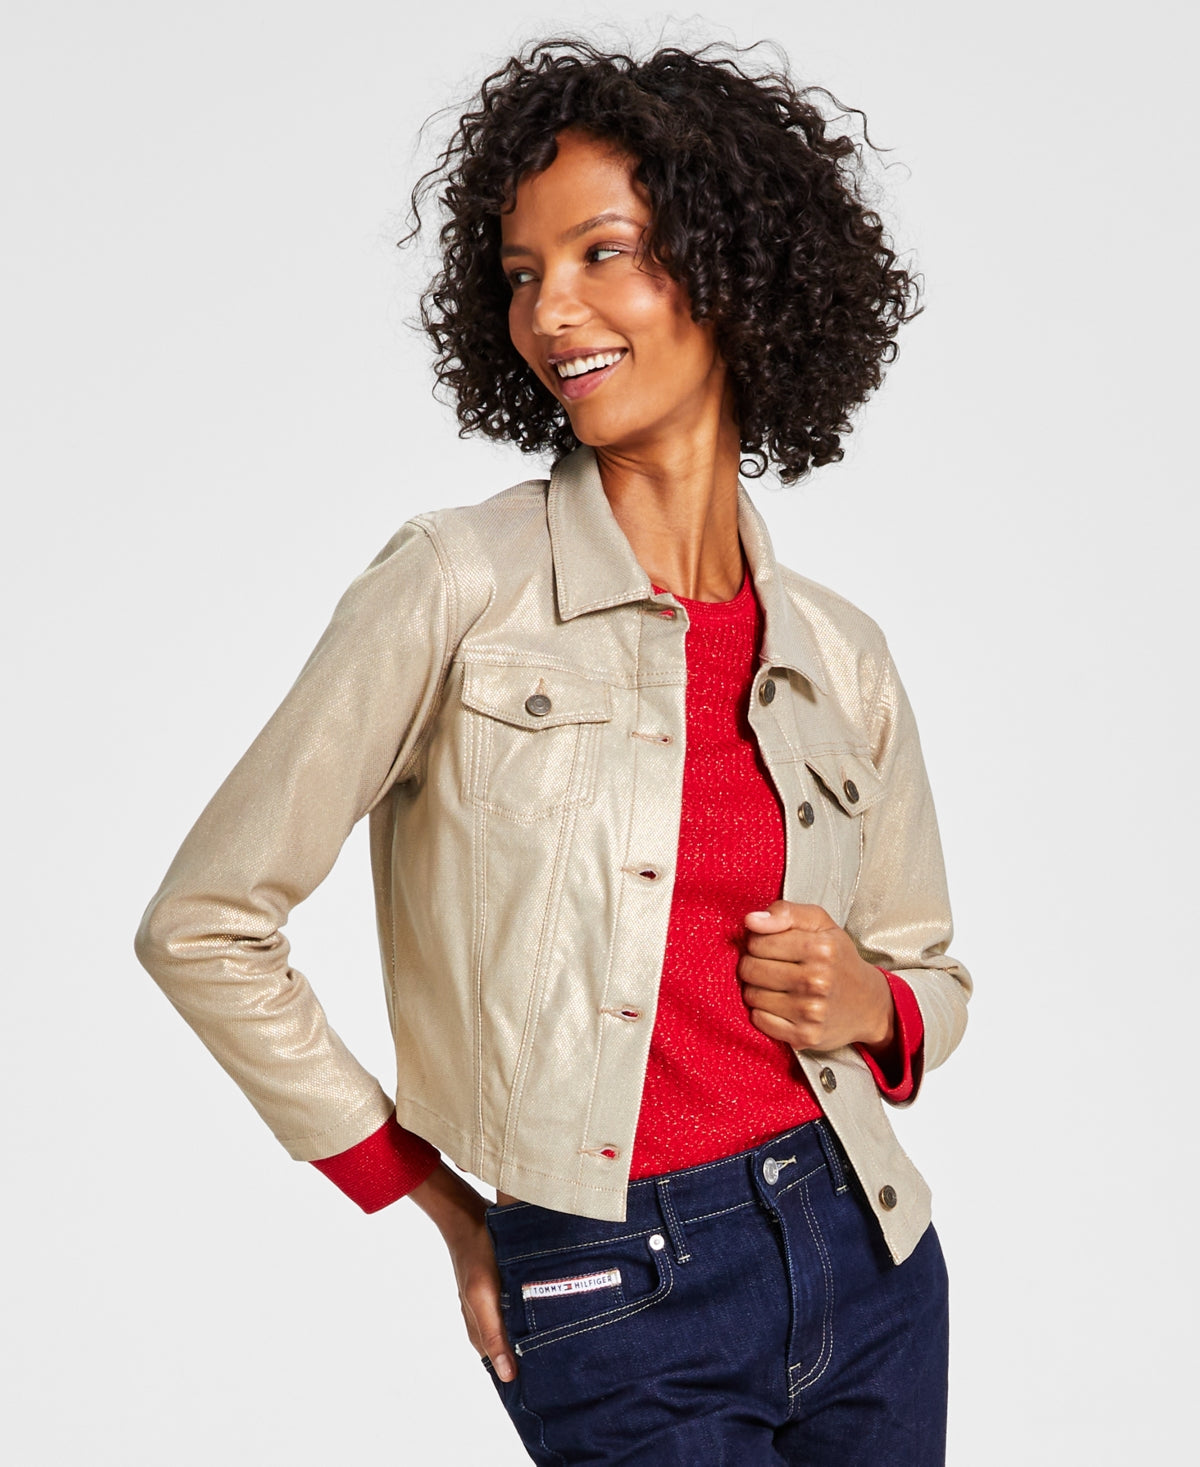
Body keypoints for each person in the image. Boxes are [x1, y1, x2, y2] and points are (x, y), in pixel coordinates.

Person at [136, 37, 970, 1466]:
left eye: (604, 253)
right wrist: (432, 1196)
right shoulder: (458, 585)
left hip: (869, 1247)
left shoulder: (841, 653)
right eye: (522, 273)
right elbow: (203, 923)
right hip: (616, 1288)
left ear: (734, 270)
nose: (552, 310)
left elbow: (931, 973)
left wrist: (876, 1006)